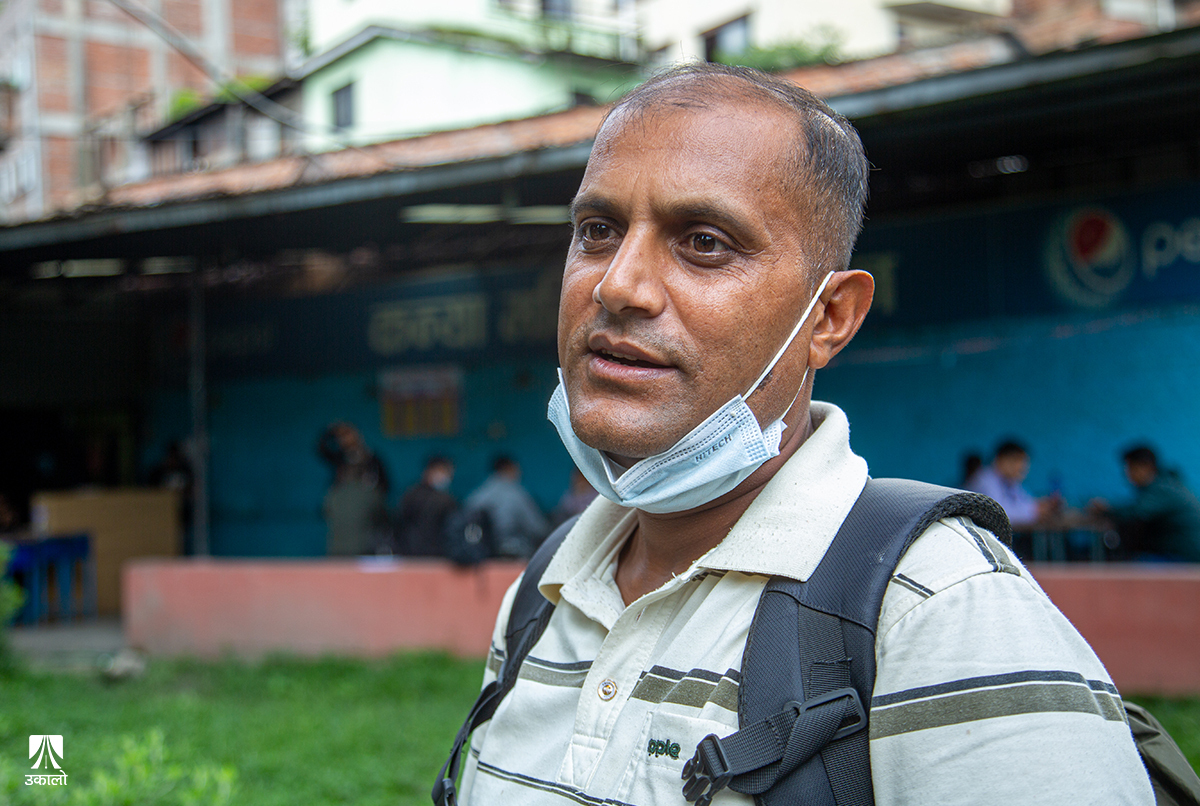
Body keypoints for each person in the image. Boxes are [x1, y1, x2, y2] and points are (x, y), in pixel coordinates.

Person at [455, 64, 1153, 804]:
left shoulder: (939, 609)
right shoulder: (546, 590)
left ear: (830, 319)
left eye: (705, 242)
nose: (617, 286)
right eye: (598, 231)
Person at [1092, 445, 1200, 563]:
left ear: (1146, 466)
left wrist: (1106, 510)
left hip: (1186, 555)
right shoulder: (1167, 484)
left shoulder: (1162, 488)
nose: (1127, 474)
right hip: (1180, 552)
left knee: (1132, 568)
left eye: (1130, 468)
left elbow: (1136, 512)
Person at [318, 422, 390, 556]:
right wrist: (331, 431)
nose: (345, 439)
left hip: (365, 536)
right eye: (342, 436)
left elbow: (385, 485)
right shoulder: (340, 457)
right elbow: (321, 450)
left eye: (348, 434)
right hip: (341, 542)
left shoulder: (371, 457)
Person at [463, 456, 548, 559]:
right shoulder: (516, 493)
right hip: (512, 553)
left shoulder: (477, 495)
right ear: (510, 468)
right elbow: (537, 528)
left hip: (480, 554)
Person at [964, 439, 1057, 527]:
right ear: (1001, 459)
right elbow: (999, 514)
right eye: (1017, 461)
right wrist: (1035, 511)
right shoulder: (985, 480)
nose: (1021, 467)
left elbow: (1024, 502)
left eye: (1023, 462)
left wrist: (1041, 506)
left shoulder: (1010, 482)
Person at [394, 455, 458, 557]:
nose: (445, 476)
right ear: (429, 471)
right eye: (441, 471)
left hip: (415, 554)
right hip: (425, 555)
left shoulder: (410, 493)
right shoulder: (413, 496)